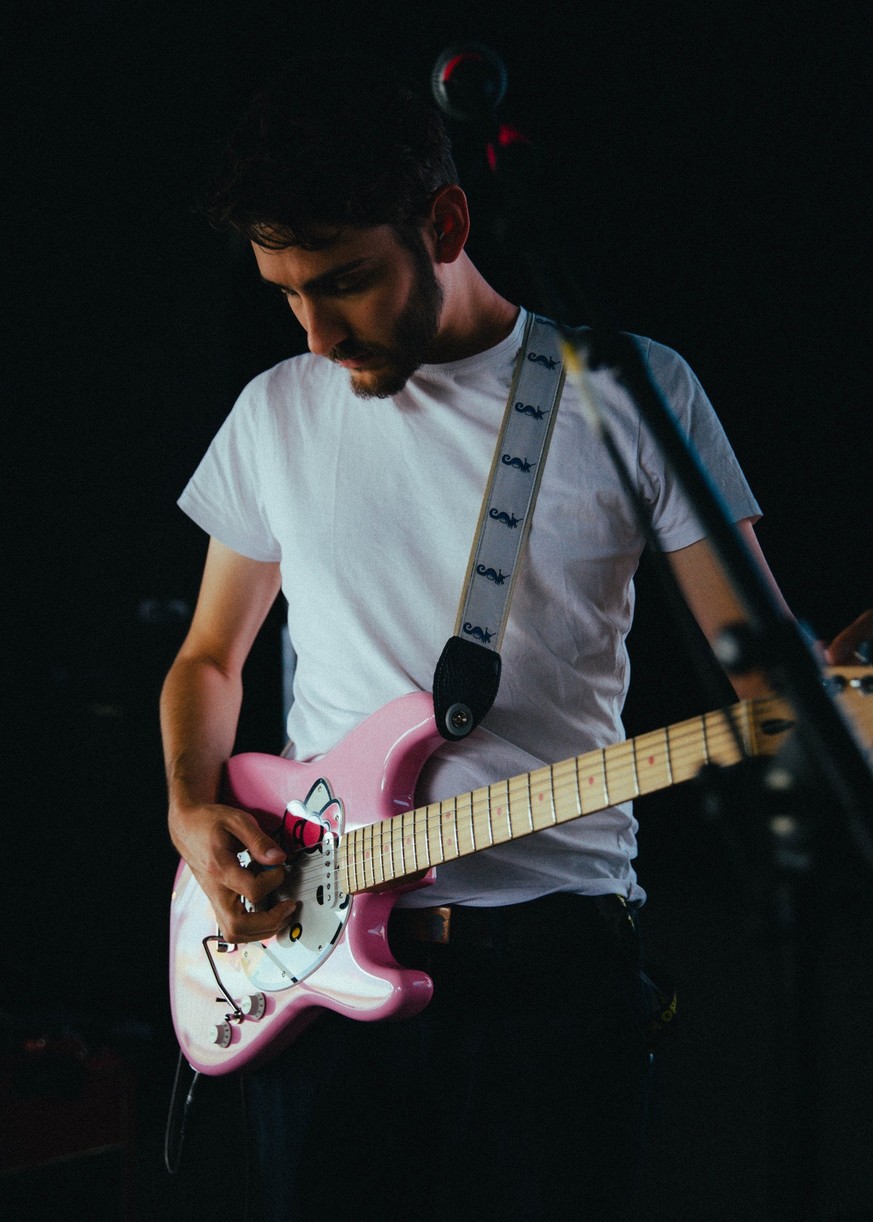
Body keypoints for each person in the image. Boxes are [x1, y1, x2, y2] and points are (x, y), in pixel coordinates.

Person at [159, 56, 848, 1221]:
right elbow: (209, 659)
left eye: (345, 281)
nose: (318, 334)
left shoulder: (632, 394)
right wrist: (188, 806)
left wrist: (832, 685)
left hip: (556, 970)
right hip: (318, 964)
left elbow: (760, 658)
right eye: (287, 294)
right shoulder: (275, 412)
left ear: (446, 219)